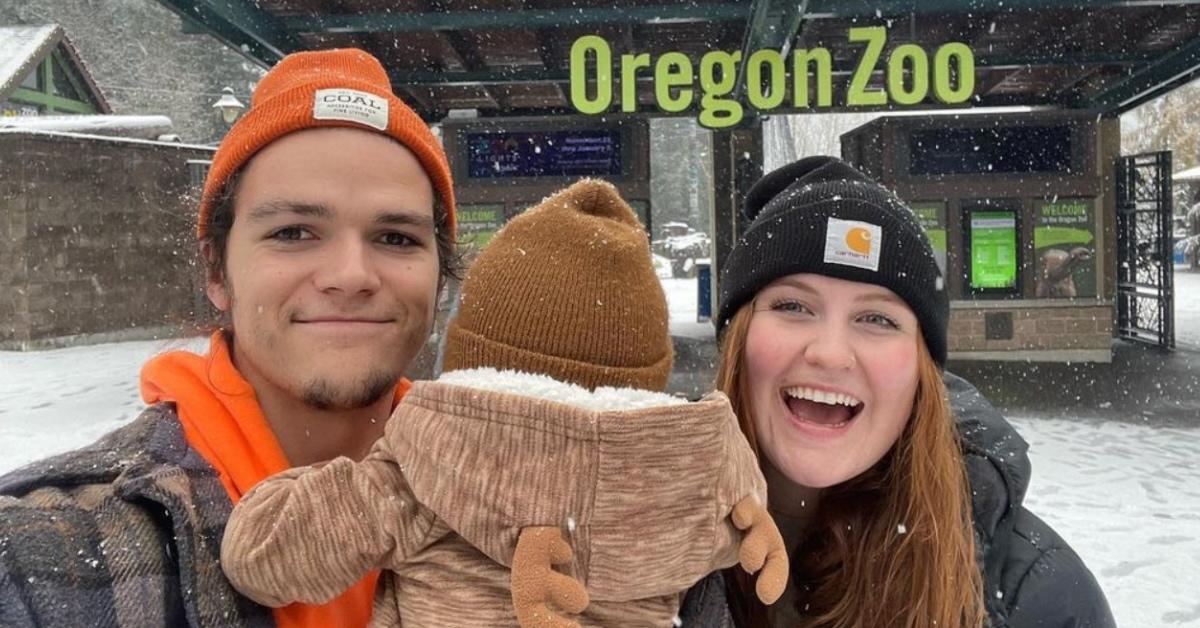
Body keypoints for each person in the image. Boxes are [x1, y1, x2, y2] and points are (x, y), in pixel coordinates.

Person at [0, 48, 458, 627]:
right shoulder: (43, 559)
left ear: (440, 275)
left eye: (396, 238)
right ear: (217, 271)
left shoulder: (512, 498)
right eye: (294, 232)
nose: (351, 276)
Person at [218, 179, 787, 628]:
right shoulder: (695, 483)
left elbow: (264, 557)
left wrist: (301, 489)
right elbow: (731, 525)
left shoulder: (422, 469)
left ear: (469, 354)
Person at [677, 156, 1115, 627]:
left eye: (878, 318)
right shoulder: (616, 543)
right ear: (737, 341)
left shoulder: (1041, 597)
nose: (830, 353)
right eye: (793, 305)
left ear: (922, 374)